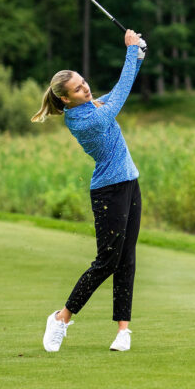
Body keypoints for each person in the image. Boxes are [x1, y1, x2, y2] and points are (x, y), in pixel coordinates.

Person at [31, 29, 146, 352]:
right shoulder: (83, 121)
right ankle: (61, 318)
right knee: (107, 261)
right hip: (108, 192)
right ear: (65, 99)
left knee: (127, 259)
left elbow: (118, 88)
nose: (86, 87)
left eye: (84, 82)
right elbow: (120, 96)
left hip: (129, 184)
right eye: (78, 88)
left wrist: (138, 56)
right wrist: (129, 51)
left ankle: (123, 331)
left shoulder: (93, 104)